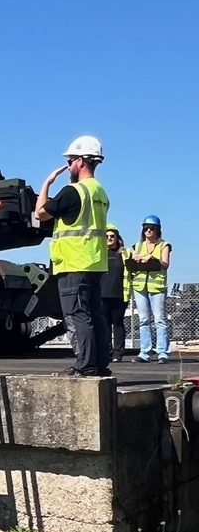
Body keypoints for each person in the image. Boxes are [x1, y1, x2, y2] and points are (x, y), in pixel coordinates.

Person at [35, 135, 110, 377]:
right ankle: (99, 365)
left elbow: (40, 214)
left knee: (77, 316)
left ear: (80, 161)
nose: (68, 166)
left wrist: (47, 183)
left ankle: (85, 367)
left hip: (73, 263)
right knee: (94, 316)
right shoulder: (100, 192)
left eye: (70, 161)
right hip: (94, 263)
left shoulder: (72, 191)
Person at [127, 215, 173, 363]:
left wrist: (152, 259)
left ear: (157, 230)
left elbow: (165, 264)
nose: (148, 231)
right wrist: (136, 259)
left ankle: (162, 352)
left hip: (157, 286)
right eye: (146, 228)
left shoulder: (164, 245)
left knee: (160, 319)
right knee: (144, 320)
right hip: (140, 286)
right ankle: (145, 352)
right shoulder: (136, 246)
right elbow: (130, 264)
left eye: (151, 228)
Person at [100, 224, 130, 362]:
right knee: (104, 325)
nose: (110, 238)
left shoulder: (124, 253)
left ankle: (118, 354)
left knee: (117, 323)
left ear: (117, 238)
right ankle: (106, 352)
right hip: (101, 294)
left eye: (112, 236)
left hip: (119, 294)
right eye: (107, 236)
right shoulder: (99, 253)